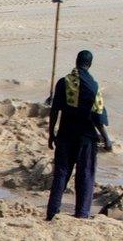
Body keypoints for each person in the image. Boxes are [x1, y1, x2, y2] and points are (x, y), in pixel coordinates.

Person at [46, 50, 113, 220]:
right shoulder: (93, 86)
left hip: (65, 136)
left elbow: (55, 110)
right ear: (90, 64)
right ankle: (82, 213)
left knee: (61, 174)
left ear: (76, 62)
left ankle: (52, 212)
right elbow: (97, 115)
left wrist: (51, 133)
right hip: (86, 138)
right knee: (85, 175)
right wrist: (106, 138)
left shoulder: (63, 83)